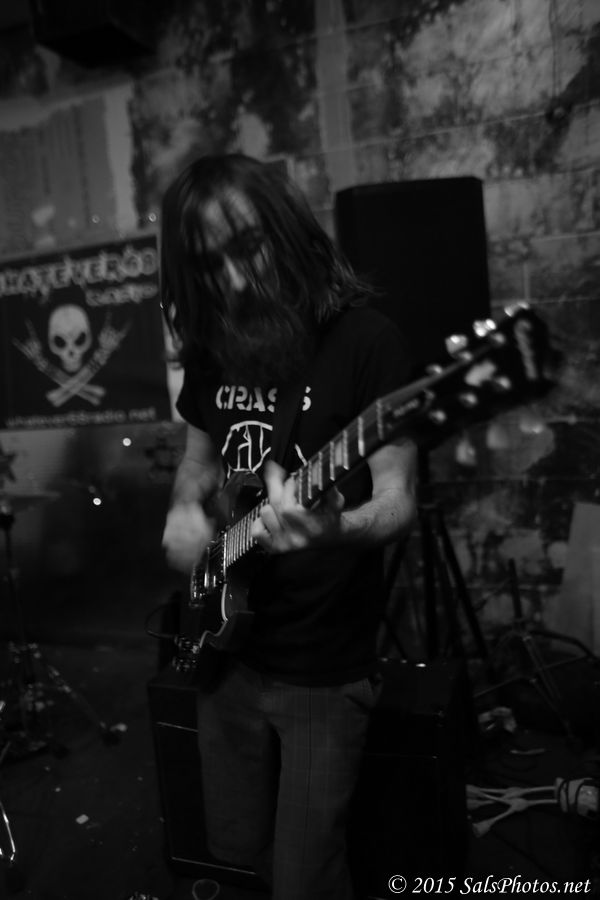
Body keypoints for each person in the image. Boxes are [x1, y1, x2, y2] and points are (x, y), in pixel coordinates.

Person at [160, 153, 417, 900]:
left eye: (248, 248)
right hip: (223, 648)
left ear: (287, 230)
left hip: (321, 666)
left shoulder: (367, 343)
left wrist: (336, 530)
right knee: (238, 846)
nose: (234, 281)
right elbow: (198, 462)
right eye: (209, 265)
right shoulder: (211, 348)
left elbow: (398, 500)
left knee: (308, 877)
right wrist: (183, 511)